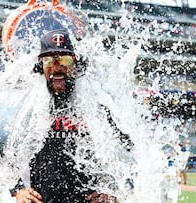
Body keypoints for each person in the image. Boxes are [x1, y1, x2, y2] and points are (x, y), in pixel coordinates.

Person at [10, 29, 133, 203]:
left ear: (75, 64)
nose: (57, 66)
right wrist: (18, 190)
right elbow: (6, 152)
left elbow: (129, 151)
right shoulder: (30, 108)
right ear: (41, 66)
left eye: (65, 59)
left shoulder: (95, 106)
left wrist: (114, 193)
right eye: (49, 60)